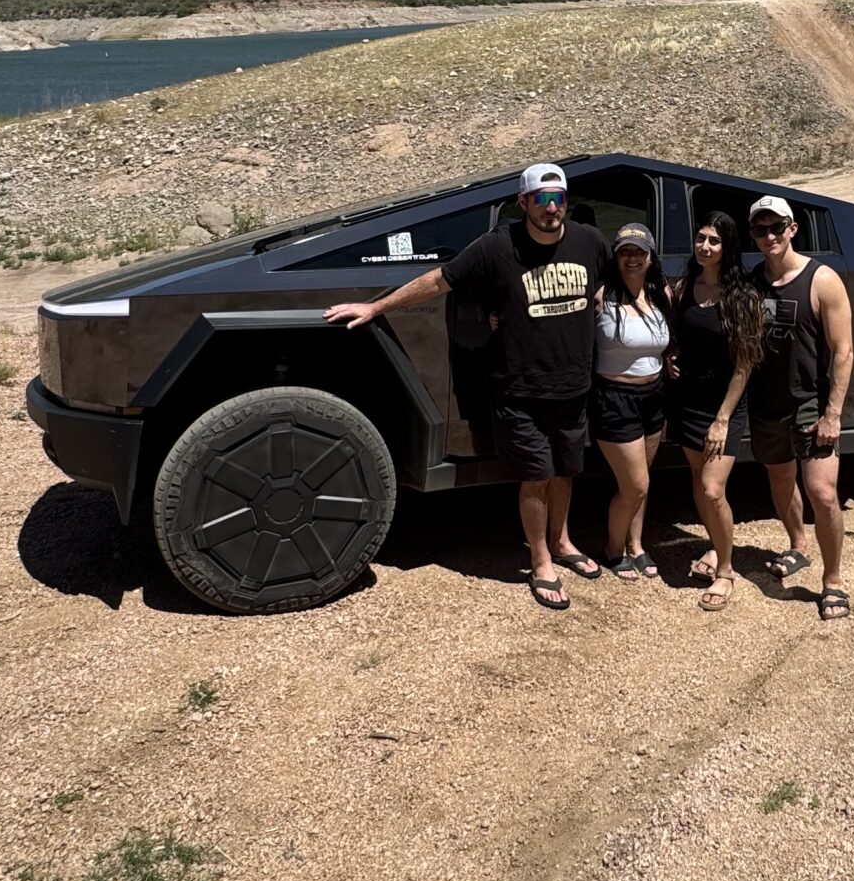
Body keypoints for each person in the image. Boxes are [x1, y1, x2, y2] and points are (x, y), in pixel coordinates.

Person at [324, 162, 605, 612]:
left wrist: (598, 298)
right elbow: (439, 280)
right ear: (524, 203)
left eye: (559, 199)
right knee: (536, 475)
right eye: (542, 199)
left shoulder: (590, 241)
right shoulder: (498, 246)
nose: (551, 208)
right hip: (521, 388)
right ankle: (540, 560)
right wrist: (377, 306)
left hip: (572, 385)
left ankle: (563, 540)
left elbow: (603, 279)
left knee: (566, 470)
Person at [746, 193, 854, 621]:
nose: (769, 235)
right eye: (761, 229)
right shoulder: (753, 281)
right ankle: (797, 544)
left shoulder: (821, 279)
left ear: (793, 229)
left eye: (777, 227)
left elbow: (843, 350)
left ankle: (832, 582)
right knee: (779, 480)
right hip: (767, 403)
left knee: (823, 494)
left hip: (810, 403)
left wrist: (833, 413)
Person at [667, 209, 764, 610]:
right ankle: (714, 544)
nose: (705, 246)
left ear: (728, 247)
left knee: (712, 488)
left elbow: (745, 363)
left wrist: (723, 419)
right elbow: (675, 331)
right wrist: (671, 351)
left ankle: (725, 569)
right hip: (686, 400)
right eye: (701, 238)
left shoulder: (741, 296)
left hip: (722, 407)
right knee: (697, 481)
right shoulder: (686, 286)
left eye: (715, 240)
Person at [592, 223, 672, 577]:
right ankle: (612, 547)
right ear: (616, 256)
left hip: (653, 396)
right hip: (614, 398)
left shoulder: (661, 295)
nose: (632, 258)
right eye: (625, 251)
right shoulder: (601, 295)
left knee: (643, 481)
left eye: (639, 252)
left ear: (651, 257)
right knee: (634, 484)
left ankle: (636, 545)